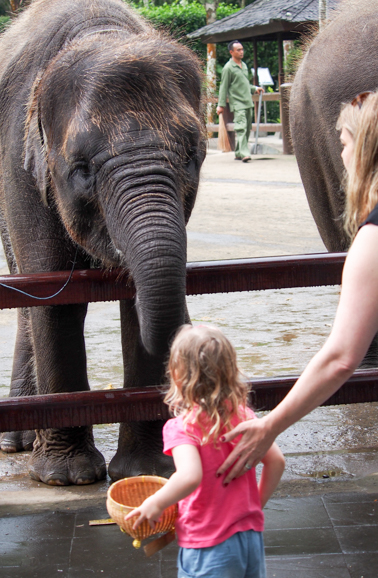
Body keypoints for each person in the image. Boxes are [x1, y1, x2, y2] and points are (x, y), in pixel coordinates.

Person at [215, 89, 378, 484]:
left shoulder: (372, 241)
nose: (341, 156)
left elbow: (340, 358)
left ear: (365, 151)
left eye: (344, 144)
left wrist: (269, 426)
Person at [126, 324, 285, 578]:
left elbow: (190, 476)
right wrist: (255, 504)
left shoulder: (182, 427)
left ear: (177, 377)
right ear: (231, 371)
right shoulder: (245, 416)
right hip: (249, 537)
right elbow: (276, 461)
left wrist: (155, 503)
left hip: (208, 543)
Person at [216, 41, 264, 163]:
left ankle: (238, 152)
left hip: (247, 101)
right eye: (238, 50)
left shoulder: (244, 65)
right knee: (241, 127)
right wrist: (221, 105)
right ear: (231, 52)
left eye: (242, 49)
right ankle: (244, 153)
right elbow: (223, 87)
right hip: (237, 103)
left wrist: (254, 88)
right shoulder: (228, 68)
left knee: (247, 128)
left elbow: (245, 83)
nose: (241, 52)